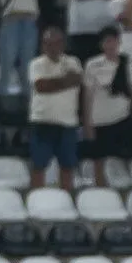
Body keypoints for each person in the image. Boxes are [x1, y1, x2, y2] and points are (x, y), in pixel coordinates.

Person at [83, 24, 132, 183]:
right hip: (99, 119)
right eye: (107, 41)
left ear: (119, 42)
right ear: (102, 44)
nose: (110, 45)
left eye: (113, 41)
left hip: (122, 117)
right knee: (98, 158)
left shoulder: (131, 64)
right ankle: (100, 188)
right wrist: (87, 123)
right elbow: (87, 96)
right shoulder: (92, 65)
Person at [28, 25, 83, 191]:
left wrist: (55, 82)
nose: (52, 47)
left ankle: (66, 200)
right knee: (38, 166)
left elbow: (77, 79)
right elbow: (42, 86)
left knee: (67, 167)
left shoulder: (73, 61)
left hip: (67, 123)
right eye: (48, 43)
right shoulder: (36, 64)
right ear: (42, 45)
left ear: (63, 44)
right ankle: (36, 201)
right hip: (42, 121)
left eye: (56, 43)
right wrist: (65, 81)